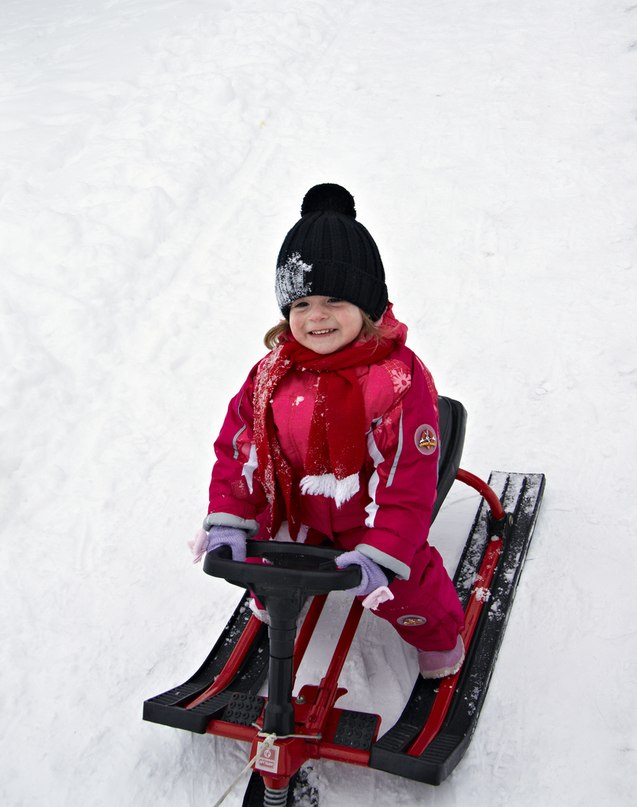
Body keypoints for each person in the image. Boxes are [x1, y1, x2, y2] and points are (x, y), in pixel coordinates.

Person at [189, 183, 465, 678]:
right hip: (301, 506)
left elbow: (407, 479)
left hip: (368, 511)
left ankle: (439, 634)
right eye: (300, 305)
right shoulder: (270, 374)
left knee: (406, 582)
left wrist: (383, 549)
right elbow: (241, 447)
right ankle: (278, 598)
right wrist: (230, 517)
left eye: (334, 300)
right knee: (264, 553)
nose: (316, 316)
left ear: (368, 307)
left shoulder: (396, 380)